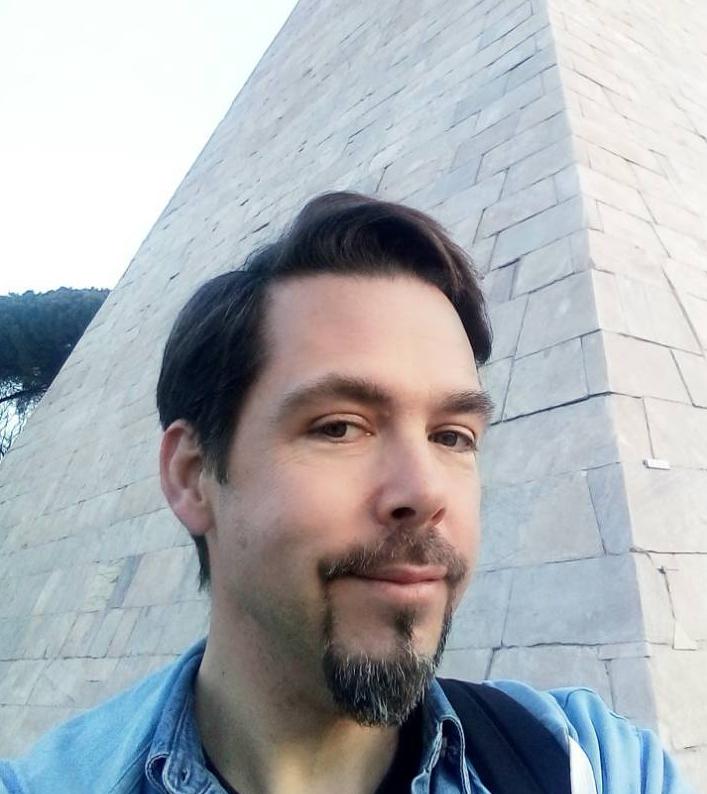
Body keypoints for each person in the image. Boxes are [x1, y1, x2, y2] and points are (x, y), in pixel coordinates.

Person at [0, 193, 693, 793]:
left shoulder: (588, 762)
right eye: (339, 427)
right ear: (192, 475)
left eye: (452, 436)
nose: (423, 491)